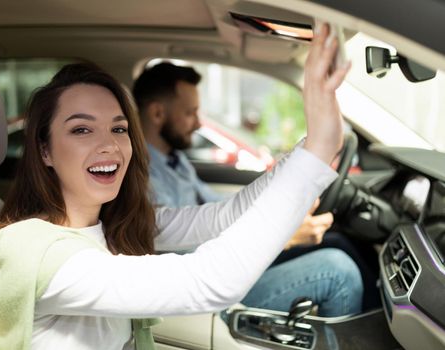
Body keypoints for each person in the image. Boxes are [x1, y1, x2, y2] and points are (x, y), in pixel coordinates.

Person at [0, 24, 353, 350]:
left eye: (118, 128)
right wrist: (319, 150)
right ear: (45, 150)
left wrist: (313, 146)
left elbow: (225, 216)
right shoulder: (34, 252)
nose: (109, 145)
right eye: (82, 129)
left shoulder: (115, 225)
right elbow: (207, 283)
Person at [133, 64, 379, 313]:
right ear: (157, 114)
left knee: (336, 242)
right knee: (338, 270)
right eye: (190, 113)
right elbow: (181, 252)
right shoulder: (142, 179)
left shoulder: (175, 160)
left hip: (228, 264)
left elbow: (219, 208)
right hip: (210, 290)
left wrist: (288, 208)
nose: (198, 123)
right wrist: (283, 237)